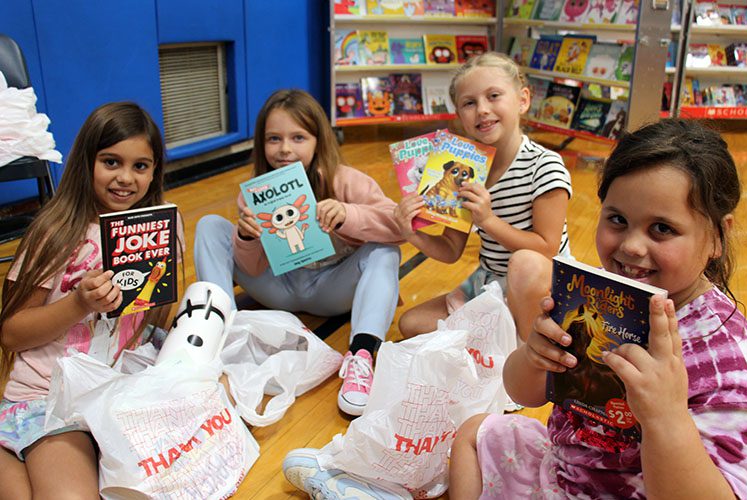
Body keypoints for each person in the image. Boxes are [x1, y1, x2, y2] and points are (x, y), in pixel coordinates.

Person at [449, 119, 747, 499]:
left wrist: (665, 416)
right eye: (617, 220)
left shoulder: (734, 367)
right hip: (564, 473)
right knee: (474, 433)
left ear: (718, 237)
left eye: (661, 229)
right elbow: (525, 394)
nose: (632, 247)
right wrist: (534, 355)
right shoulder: (593, 298)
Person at [0, 102, 184, 499]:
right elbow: (11, 335)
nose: (125, 178)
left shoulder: (160, 227)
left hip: (111, 394)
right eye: (111, 162)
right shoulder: (58, 232)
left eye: (141, 166)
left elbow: (146, 323)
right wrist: (78, 304)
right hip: (45, 400)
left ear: (155, 171)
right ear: (87, 162)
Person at [194, 89, 403, 417]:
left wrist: (350, 214)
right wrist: (247, 237)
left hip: (331, 291)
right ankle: (223, 336)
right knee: (210, 225)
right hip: (278, 287)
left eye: (298, 137)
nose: (285, 149)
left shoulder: (347, 181)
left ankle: (361, 357)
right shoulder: (256, 194)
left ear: (319, 140)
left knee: (384, 252)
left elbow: (399, 226)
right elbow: (250, 265)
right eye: (274, 139)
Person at [394, 52, 571, 339]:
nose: (482, 110)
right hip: (490, 284)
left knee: (524, 263)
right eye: (469, 103)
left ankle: (524, 345)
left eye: (494, 96)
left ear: (523, 100)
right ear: (460, 116)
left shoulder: (544, 164)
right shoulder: (467, 171)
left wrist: (488, 220)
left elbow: (546, 248)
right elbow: (451, 250)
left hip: (541, 282)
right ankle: (503, 334)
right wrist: (411, 233)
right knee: (412, 324)